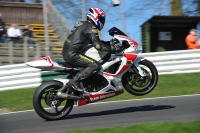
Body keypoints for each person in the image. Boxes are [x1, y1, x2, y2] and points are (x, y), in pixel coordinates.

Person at [62, 8, 123, 94]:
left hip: (68, 52)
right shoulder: (91, 28)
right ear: (96, 17)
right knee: (95, 65)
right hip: (73, 54)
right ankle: (74, 81)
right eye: (101, 19)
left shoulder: (83, 24)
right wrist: (113, 49)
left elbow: (94, 41)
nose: (102, 22)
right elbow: (98, 46)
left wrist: (109, 43)